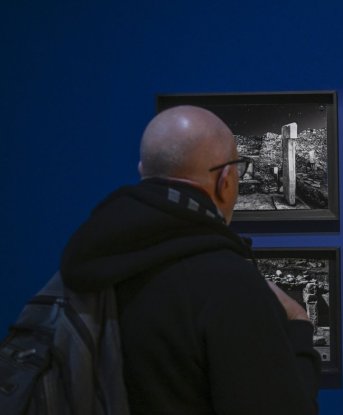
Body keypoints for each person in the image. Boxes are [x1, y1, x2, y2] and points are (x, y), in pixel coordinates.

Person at [60, 105, 320, 414]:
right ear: (225, 180)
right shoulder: (228, 283)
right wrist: (299, 328)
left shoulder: (91, 259)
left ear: (143, 171)